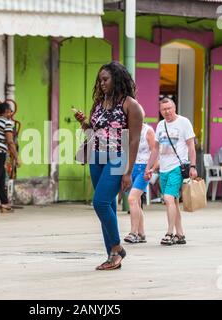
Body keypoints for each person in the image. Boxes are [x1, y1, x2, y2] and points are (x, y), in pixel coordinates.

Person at [74, 61, 143, 270]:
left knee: (100, 203)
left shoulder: (131, 105)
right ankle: (112, 256)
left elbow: (133, 140)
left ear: (117, 79)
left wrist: (128, 171)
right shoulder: (98, 103)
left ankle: (117, 248)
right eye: (100, 80)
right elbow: (93, 131)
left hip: (118, 157)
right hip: (96, 157)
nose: (102, 83)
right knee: (109, 205)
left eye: (106, 79)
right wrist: (83, 122)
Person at [144, 98, 197, 246]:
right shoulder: (160, 125)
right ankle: (180, 234)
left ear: (174, 108)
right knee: (172, 201)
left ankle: (169, 233)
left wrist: (193, 166)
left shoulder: (184, 122)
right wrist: (149, 167)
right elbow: (155, 149)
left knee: (168, 198)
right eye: (163, 109)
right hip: (164, 168)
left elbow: (191, 146)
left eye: (169, 108)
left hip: (177, 167)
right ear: (160, 111)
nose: (167, 112)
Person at [123, 123, 156, 244]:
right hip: (130, 168)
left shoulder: (148, 131)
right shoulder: (126, 130)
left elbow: (155, 151)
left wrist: (150, 168)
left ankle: (133, 233)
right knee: (136, 201)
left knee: (132, 199)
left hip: (143, 168)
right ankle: (141, 233)